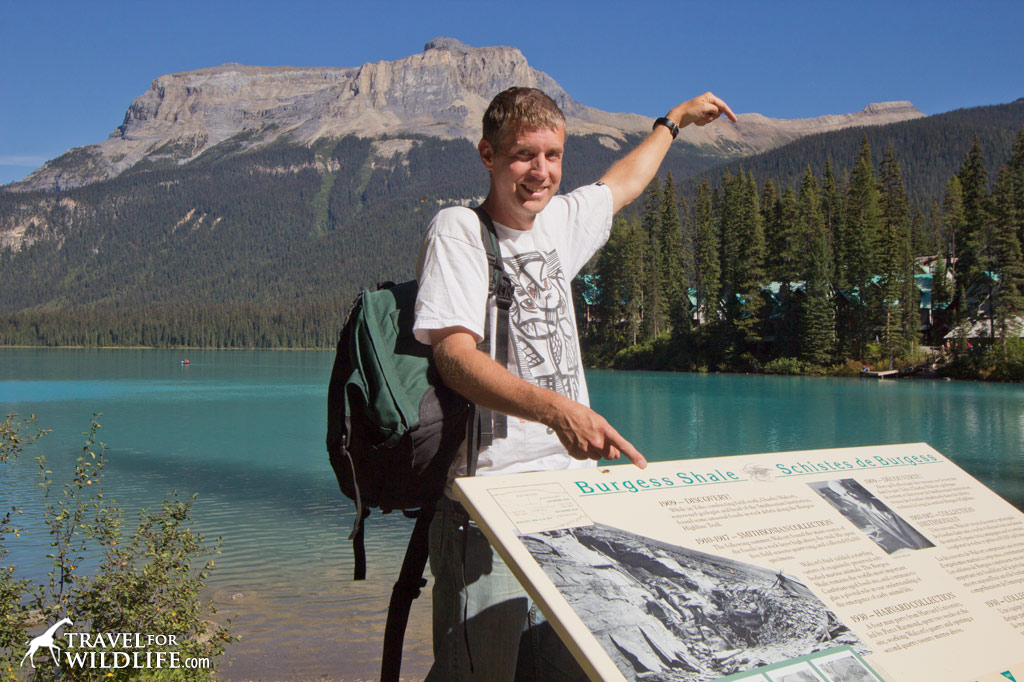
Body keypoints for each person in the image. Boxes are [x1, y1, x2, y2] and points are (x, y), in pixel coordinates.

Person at [413, 86, 736, 681]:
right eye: (523, 155)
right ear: (488, 154)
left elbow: (623, 183)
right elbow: (455, 357)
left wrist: (674, 121)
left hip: (571, 506)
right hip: (489, 509)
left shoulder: (559, 222)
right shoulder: (459, 230)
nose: (541, 172)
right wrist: (557, 411)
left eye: (553, 156)